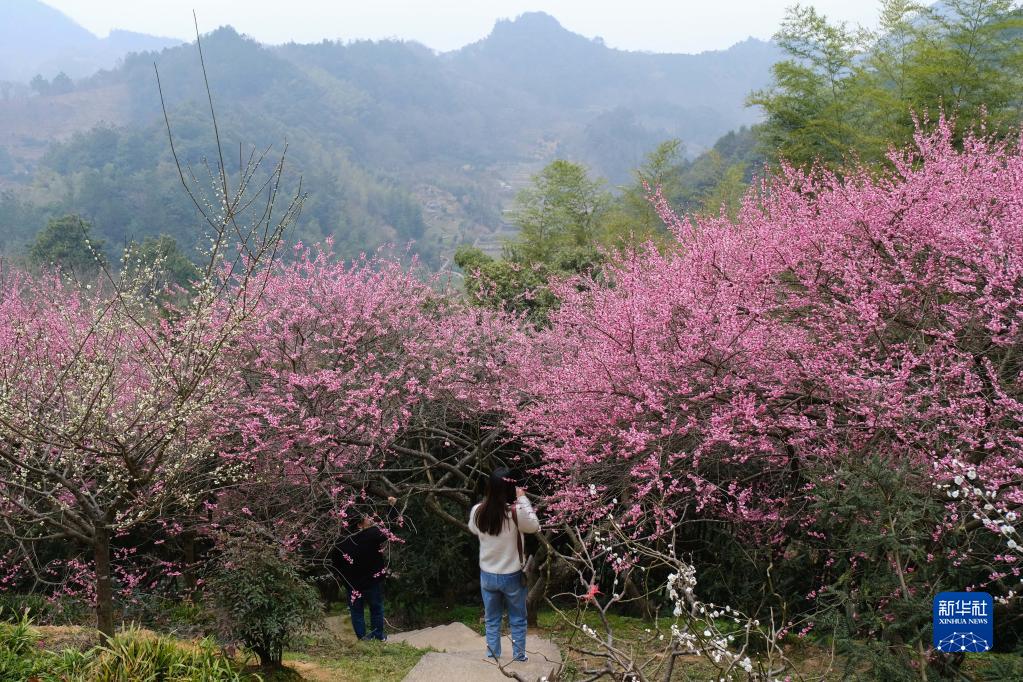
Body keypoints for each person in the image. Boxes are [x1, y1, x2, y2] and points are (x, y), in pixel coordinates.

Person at [468, 468, 540, 662]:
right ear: (511, 488)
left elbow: (473, 528)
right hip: (512, 575)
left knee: (492, 618)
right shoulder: (516, 514)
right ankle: (519, 656)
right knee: (517, 618)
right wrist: (523, 498)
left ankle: (492, 655)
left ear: (489, 488)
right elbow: (534, 526)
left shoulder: (478, 511)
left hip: (487, 575)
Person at [334, 496, 399, 641]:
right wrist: (392, 507)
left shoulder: (341, 542)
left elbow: (335, 565)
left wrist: (345, 580)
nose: (370, 519)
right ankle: (378, 635)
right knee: (376, 608)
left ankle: (362, 638)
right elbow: (390, 527)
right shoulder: (371, 534)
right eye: (366, 518)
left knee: (357, 612)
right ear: (359, 525)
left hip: (352, 584)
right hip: (372, 580)